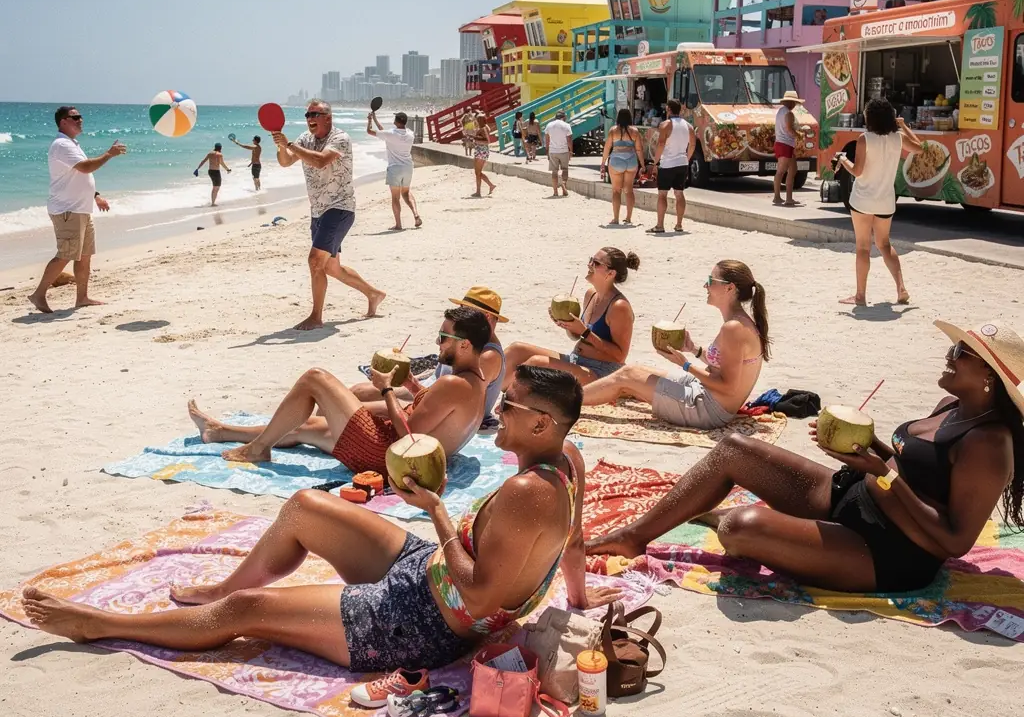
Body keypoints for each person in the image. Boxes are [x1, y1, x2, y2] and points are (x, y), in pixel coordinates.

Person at [24, 367, 621, 672]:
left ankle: (100, 624)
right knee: (306, 507)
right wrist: (580, 595)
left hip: (422, 624)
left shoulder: (527, 492)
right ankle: (225, 584)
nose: (498, 413)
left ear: (542, 424)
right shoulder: (567, 456)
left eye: (509, 406)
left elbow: (484, 591)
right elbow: (578, 541)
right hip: (425, 574)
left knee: (243, 618)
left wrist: (436, 508)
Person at [587, 319, 1024, 596]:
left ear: (989, 375)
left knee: (740, 527)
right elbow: (911, 466)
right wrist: (867, 451)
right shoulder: (954, 406)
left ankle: (720, 517)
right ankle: (635, 536)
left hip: (888, 552)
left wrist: (881, 474)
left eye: (959, 353)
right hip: (854, 496)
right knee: (733, 450)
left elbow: (954, 541)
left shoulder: (988, 442)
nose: (947, 356)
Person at [187, 306, 491, 471]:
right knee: (304, 423)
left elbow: (407, 433)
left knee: (314, 378)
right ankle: (218, 430)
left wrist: (386, 390)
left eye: (443, 337)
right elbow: (431, 417)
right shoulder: (475, 382)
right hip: (406, 459)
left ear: (465, 344)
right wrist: (410, 382)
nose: (438, 343)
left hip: (384, 454)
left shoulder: (452, 383)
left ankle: (257, 449)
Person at [581, 260, 769, 430]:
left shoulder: (733, 328)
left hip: (707, 410)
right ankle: (578, 397)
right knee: (634, 370)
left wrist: (684, 364)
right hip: (707, 394)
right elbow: (725, 365)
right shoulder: (741, 323)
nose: (706, 285)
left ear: (729, 288)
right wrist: (694, 349)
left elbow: (728, 386)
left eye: (711, 281)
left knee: (627, 376)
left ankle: (568, 402)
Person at [271, 99, 385, 329]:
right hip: (318, 210)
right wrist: (281, 145)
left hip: (340, 208)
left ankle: (316, 317)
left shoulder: (340, 139)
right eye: (307, 114)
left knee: (315, 261)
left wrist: (290, 144)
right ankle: (373, 294)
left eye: (315, 114)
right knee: (331, 268)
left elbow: (321, 161)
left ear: (328, 118)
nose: (310, 118)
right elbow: (285, 162)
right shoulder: (305, 138)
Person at [351, 287, 508, 429]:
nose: (460, 315)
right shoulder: (466, 341)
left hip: (437, 405)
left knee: (359, 407)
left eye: (465, 310)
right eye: (460, 308)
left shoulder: (487, 356)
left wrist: (391, 391)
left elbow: (452, 399)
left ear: (486, 317)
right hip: (427, 393)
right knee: (359, 391)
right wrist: (411, 382)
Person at [29, 106, 127, 314]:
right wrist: (109, 154)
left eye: (81, 116)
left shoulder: (72, 144)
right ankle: (38, 294)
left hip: (81, 209)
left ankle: (82, 298)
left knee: (84, 255)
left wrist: (96, 195)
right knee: (66, 254)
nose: (80, 120)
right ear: (63, 121)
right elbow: (85, 167)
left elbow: (78, 176)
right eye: (75, 117)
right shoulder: (61, 145)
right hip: (68, 210)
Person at [835, 99, 925, 307]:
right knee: (884, 245)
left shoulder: (864, 139)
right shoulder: (898, 138)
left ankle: (860, 296)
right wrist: (903, 126)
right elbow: (920, 148)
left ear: (870, 118)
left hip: (863, 200)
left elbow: (858, 172)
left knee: (863, 248)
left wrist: (842, 160)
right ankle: (901, 288)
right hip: (886, 201)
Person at [504, 248, 639, 384]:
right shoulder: (590, 294)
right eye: (590, 260)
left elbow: (620, 356)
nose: (589, 265)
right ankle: (490, 394)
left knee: (537, 363)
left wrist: (585, 332)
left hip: (602, 372)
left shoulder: (619, 306)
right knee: (517, 349)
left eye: (596, 263)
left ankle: (507, 399)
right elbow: (577, 336)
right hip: (576, 359)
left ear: (610, 273)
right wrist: (567, 325)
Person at [367, 107, 421, 230]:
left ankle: (398, 225)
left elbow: (370, 131)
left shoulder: (390, 134)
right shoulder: (410, 134)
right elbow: (383, 132)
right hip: (408, 167)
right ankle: (416, 214)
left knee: (395, 197)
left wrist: (369, 120)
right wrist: (375, 118)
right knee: (406, 193)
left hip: (395, 168)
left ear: (396, 121)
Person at [647, 99, 695, 233]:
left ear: (668, 109)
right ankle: (679, 224)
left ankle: (660, 225)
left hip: (668, 163)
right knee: (679, 193)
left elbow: (661, 144)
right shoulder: (688, 126)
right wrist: (687, 158)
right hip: (682, 163)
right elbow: (692, 145)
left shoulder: (666, 125)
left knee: (662, 194)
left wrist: (655, 162)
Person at [600, 109, 645, 226]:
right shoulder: (634, 131)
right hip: (631, 161)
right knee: (629, 190)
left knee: (616, 191)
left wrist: (603, 163)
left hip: (616, 161)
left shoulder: (613, 131)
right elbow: (639, 149)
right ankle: (628, 218)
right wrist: (643, 164)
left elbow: (607, 148)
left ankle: (616, 218)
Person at [772, 90, 804, 207]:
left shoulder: (780, 111)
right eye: (794, 103)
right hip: (786, 144)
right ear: (791, 102)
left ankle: (780, 197)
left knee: (791, 169)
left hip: (781, 143)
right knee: (783, 171)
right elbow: (789, 129)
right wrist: (799, 135)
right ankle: (785, 198)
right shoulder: (788, 114)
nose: (795, 105)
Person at [544, 110, 573, 197]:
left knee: (554, 172)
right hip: (563, 151)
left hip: (553, 151)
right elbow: (569, 140)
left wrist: (547, 151)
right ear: (563, 117)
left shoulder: (549, 125)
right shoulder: (566, 125)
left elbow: (547, 140)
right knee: (565, 169)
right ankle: (564, 184)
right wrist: (571, 151)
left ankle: (555, 192)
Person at [470, 111, 496, 197]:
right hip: (479, 151)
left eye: (478, 119)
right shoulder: (484, 127)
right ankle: (485, 188)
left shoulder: (484, 128)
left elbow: (487, 141)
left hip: (482, 151)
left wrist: (475, 139)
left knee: (478, 172)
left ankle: (483, 189)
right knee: (477, 172)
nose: (477, 121)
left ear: (481, 120)